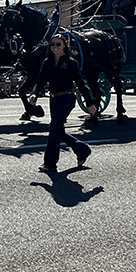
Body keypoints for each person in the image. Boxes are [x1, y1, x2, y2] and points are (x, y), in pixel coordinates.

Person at [29, 34, 96, 173]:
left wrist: (89, 103)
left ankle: (50, 164)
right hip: (53, 98)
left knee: (54, 129)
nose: (55, 47)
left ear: (64, 46)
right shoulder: (47, 62)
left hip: (67, 98)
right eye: (52, 44)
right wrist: (35, 93)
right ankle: (82, 149)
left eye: (58, 44)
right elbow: (40, 80)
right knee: (58, 130)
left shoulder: (71, 63)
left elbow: (80, 83)